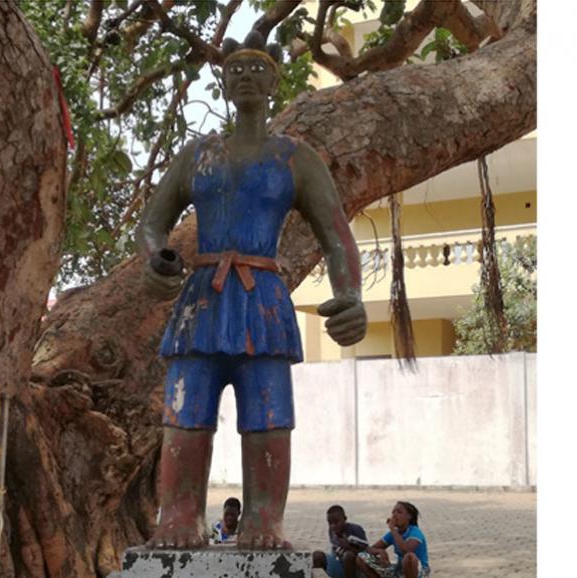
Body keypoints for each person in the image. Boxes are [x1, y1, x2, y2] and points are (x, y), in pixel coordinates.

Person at [137, 29, 366, 550]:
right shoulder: (197, 155)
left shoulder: (295, 158)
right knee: (185, 410)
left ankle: (265, 518)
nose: (244, 77)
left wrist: (350, 294)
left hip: (262, 303)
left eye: (255, 69)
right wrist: (155, 259)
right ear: (222, 84)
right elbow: (152, 225)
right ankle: (178, 515)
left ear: (274, 82)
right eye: (234, 70)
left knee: (268, 413)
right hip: (201, 301)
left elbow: (337, 236)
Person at [354, 501, 431, 578]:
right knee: (362, 557)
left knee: (409, 557)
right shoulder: (393, 533)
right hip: (399, 569)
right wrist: (380, 551)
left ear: (409, 516)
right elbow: (369, 549)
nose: (394, 515)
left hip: (419, 570)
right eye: (393, 512)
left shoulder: (415, 532)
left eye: (399, 512)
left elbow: (406, 550)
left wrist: (392, 529)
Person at [313, 505, 369, 578]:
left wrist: (348, 546)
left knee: (348, 555)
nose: (333, 526)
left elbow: (366, 551)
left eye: (336, 522)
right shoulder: (331, 531)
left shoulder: (356, 529)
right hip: (337, 563)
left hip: (354, 568)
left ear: (345, 519)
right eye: (330, 523)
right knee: (317, 555)